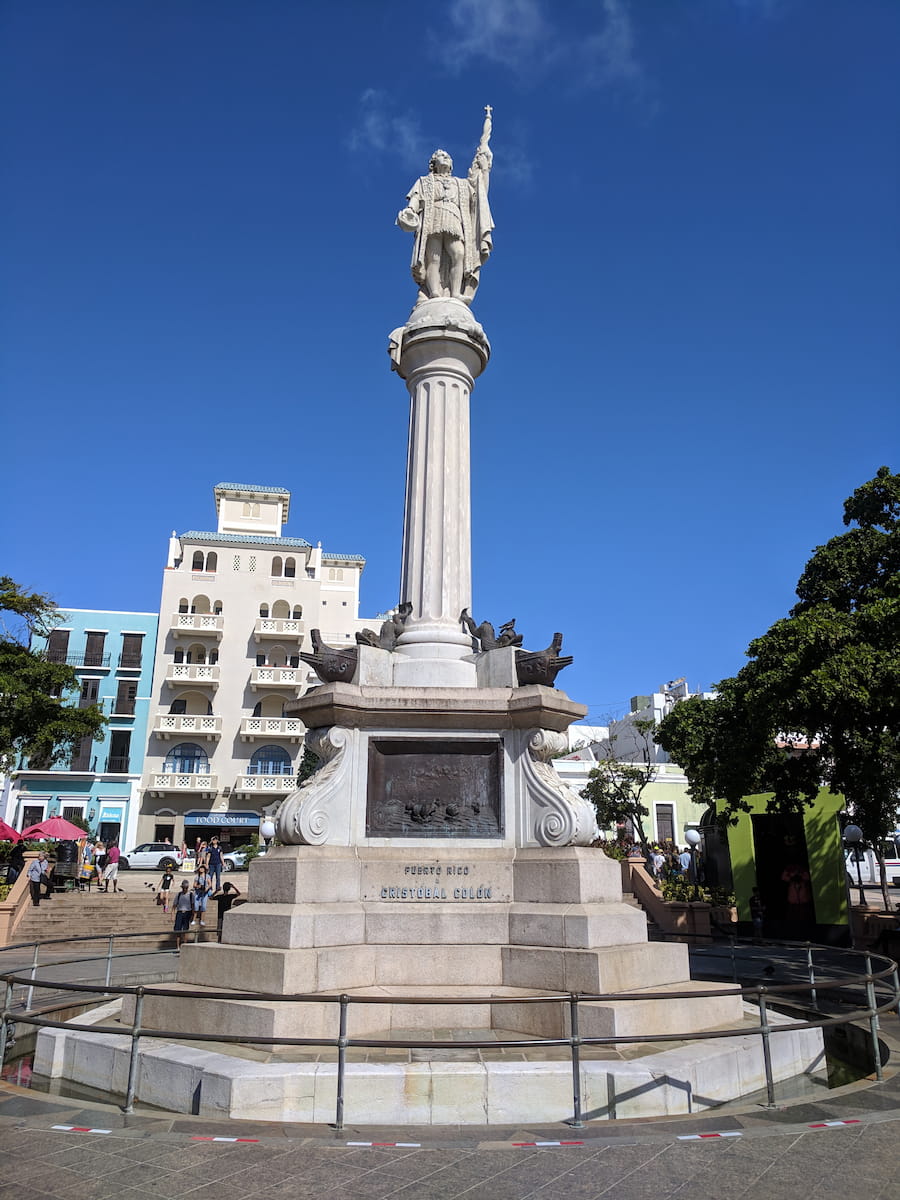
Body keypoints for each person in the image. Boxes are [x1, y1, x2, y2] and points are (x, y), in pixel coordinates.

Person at [397, 107, 494, 305]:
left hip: (454, 219)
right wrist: (410, 211)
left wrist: (483, 166)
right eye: (441, 155)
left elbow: (478, 191)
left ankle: (455, 292)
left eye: (448, 157)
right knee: (433, 257)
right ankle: (434, 293)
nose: (446, 157)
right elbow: (416, 198)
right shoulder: (425, 181)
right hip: (433, 219)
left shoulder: (461, 183)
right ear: (433, 163)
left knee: (458, 253)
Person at [173, 881, 194, 948]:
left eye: (186, 888)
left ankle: (185, 945)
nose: (184, 889)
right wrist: (172, 914)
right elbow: (174, 905)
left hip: (188, 912)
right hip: (180, 912)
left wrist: (193, 915)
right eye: (183, 888)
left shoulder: (190, 895)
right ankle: (177, 946)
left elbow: (193, 905)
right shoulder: (178, 895)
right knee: (178, 930)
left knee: (185, 930)